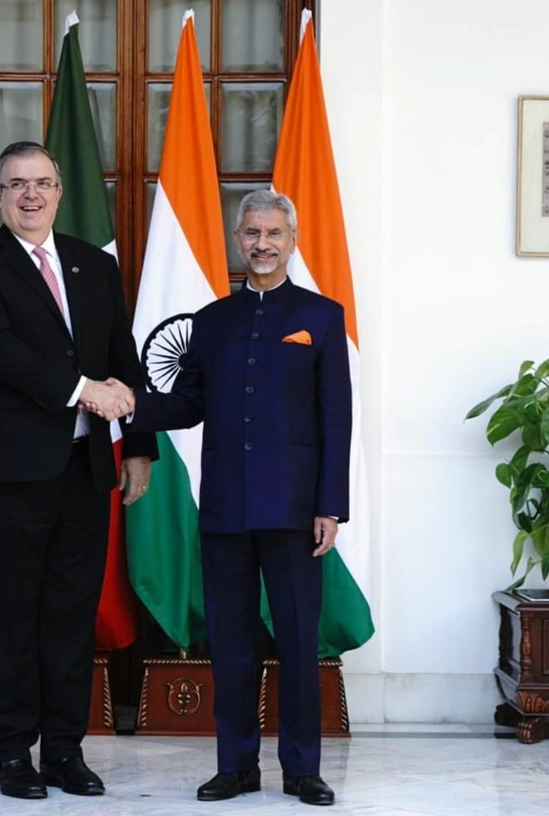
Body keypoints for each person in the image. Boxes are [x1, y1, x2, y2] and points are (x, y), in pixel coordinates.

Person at [92, 189, 351, 806]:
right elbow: (186, 404)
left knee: (295, 641)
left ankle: (302, 770)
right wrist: (130, 403)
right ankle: (235, 766)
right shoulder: (212, 322)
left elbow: (335, 417)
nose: (262, 244)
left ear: (291, 241)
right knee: (231, 645)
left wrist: (330, 505)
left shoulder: (321, 316)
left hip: (295, 511)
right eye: (252, 233)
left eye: (274, 234)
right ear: (238, 242)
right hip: (227, 509)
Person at [0, 141, 157, 800]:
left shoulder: (94, 266)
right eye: (16, 184)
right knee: (10, 615)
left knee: (70, 615)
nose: (30, 194)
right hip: (5, 471)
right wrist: (81, 389)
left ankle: (65, 751)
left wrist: (141, 443)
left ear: (60, 191)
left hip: (82, 468)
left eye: (41, 182)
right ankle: (11, 751)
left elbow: (121, 350)